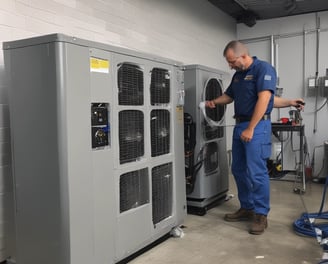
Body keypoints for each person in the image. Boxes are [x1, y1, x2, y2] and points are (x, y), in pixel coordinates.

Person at [205, 40, 304, 235]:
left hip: (256, 126)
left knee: (256, 171)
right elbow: (230, 97)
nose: (230, 65)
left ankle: (261, 215)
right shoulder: (237, 76)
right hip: (240, 124)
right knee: (238, 168)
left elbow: (265, 99)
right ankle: (247, 207)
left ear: (243, 56)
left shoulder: (263, 69)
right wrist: (214, 102)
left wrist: (251, 128)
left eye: (231, 61)